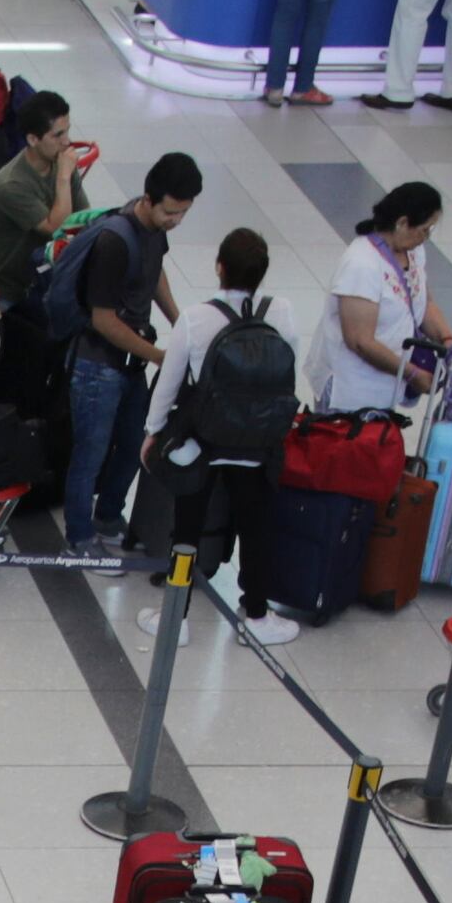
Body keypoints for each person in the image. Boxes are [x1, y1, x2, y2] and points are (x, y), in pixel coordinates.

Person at [138, 222, 299, 641]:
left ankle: (177, 616)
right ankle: (258, 616)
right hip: (259, 446)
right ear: (261, 273)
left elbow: (168, 386)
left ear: (219, 267)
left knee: (186, 530)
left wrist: (153, 434)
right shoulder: (280, 311)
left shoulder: (195, 319)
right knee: (255, 528)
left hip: (202, 443)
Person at [58, 148, 195, 562]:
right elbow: (102, 319)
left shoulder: (154, 229)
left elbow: (155, 273)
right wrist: (158, 355)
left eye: (183, 213)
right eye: (171, 212)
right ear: (148, 200)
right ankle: (79, 537)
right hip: (97, 365)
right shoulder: (114, 241)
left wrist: (180, 322)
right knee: (91, 452)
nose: (176, 221)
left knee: (137, 442)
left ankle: (108, 516)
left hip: (130, 361)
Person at [314, 175, 448, 413]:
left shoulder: (413, 251)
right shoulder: (361, 265)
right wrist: (412, 373)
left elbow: (422, 303)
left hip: (388, 383)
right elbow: (360, 341)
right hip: (351, 391)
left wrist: (448, 341)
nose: (427, 237)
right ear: (403, 223)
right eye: (425, 229)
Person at [0, 84, 85, 310]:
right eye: (58, 135)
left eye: (67, 131)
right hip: (13, 294)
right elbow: (57, 228)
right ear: (32, 139)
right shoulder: (12, 184)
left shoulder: (61, 162)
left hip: (51, 281)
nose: (67, 142)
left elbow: (82, 219)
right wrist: (63, 177)